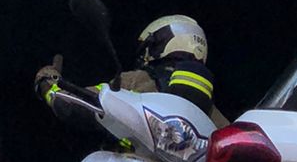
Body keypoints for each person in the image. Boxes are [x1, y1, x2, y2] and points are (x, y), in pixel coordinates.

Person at [35, 12, 228, 129]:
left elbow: (73, 102)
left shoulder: (137, 81)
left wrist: (48, 83)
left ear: (158, 44)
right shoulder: (210, 110)